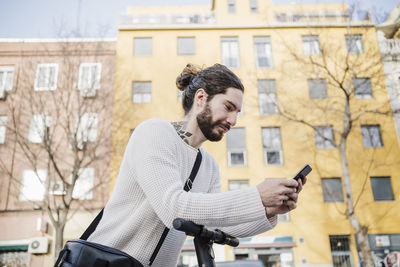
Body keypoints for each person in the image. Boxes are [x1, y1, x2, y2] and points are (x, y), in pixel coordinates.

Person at [88, 63, 304, 267]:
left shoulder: (209, 165)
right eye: (228, 107)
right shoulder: (154, 133)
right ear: (201, 97)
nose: (233, 121)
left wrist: (269, 211)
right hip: (104, 261)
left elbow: (214, 225)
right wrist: (258, 195)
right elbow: (174, 209)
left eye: (238, 112)